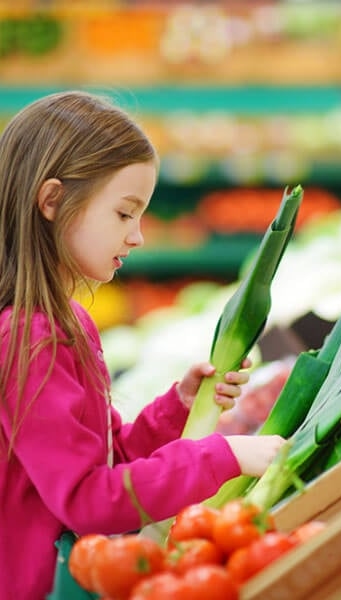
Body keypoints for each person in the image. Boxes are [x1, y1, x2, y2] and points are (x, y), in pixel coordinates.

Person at [0, 90, 286, 600]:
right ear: (51, 201)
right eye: (124, 213)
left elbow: (108, 461)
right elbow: (86, 499)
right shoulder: (26, 340)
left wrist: (178, 407)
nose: (138, 237)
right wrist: (222, 457)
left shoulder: (68, 324)